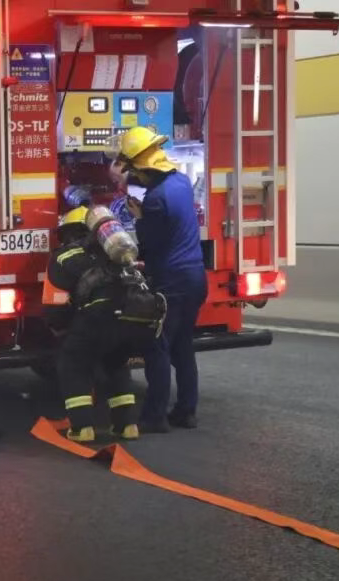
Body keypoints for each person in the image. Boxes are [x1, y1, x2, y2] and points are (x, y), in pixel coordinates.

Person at [110, 126, 207, 433]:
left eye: (135, 172)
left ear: (142, 169)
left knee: (158, 347)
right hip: (195, 278)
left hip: (171, 282)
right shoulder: (181, 183)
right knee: (183, 346)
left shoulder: (154, 200)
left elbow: (150, 245)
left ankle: (154, 417)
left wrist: (139, 218)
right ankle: (186, 412)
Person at [47, 206, 166, 442]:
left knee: (74, 364)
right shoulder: (117, 252)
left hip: (96, 319)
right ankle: (126, 425)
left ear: (67, 232)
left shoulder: (62, 258)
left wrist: (61, 329)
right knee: (116, 363)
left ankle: (82, 428)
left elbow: (55, 308)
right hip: (131, 321)